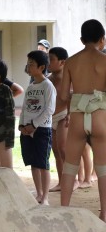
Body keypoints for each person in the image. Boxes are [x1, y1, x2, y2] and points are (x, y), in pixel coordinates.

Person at [60, 19, 106, 222]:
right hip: (100, 117)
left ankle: (63, 212)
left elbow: (63, 96)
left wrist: (79, 97)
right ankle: (104, 214)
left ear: (81, 39)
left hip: (78, 117)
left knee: (69, 166)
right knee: (103, 168)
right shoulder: (105, 60)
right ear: (102, 39)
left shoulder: (70, 61)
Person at [19, 50, 56, 205]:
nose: (28, 67)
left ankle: (45, 197)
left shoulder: (48, 86)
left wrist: (34, 125)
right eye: (28, 64)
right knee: (33, 163)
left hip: (42, 130)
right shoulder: (31, 86)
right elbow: (25, 108)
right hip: (27, 130)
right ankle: (39, 194)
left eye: (31, 64)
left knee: (43, 164)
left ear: (41, 67)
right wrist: (21, 125)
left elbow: (49, 109)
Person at [47, 47, 71, 192]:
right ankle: (62, 182)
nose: (49, 62)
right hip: (52, 117)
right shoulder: (48, 79)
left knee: (63, 149)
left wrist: (70, 114)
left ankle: (72, 180)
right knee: (56, 150)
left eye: (51, 59)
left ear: (62, 62)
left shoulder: (70, 78)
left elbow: (74, 96)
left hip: (64, 115)